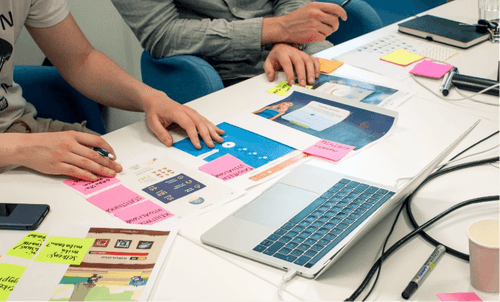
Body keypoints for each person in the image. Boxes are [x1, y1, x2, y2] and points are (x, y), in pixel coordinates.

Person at [0, 0, 224, 182]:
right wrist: (22, 148)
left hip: (18, 128)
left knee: (140, 178)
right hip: (17, 144)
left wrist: (151, 98)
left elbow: (81, 61)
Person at [110, 0, 347, 88]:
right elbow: (162, 34)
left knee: (368, 117)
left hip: (299, 50)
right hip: (219, 75)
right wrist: (278, 29)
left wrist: (288, 40)